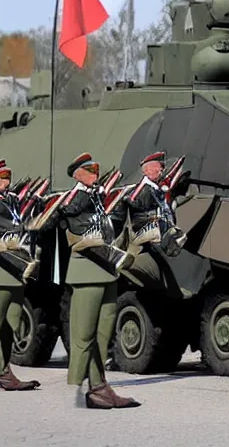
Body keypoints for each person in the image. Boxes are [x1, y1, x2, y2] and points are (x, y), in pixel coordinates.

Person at [41, 153, 140, 409]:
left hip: (107, 268)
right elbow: (48, 221)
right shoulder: (75, 198)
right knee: (84, 332)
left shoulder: (97, 197)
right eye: (90, 169)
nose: (95, 173)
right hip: (86, 271)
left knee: (103, 333)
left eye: (96, 168)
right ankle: (84, 384)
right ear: (77, 174)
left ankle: (100, 386)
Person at [0, 159, 40, 391]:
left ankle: (4, 371)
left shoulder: (12, 201)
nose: (5, 181)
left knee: (12, 322)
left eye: (8, 177)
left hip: (17, 268)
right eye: (1, 177)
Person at [125, 151, 187, 257]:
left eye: (161, 167)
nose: (161, 170)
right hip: (142, 229)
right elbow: (133, 204)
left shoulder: (157, 187)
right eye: (157, 167)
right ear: (146, 170)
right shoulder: (143, 189)